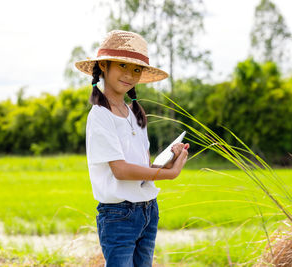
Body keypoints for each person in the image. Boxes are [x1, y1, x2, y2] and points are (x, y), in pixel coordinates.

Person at [75, 30, 190, 267]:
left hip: (148, 209)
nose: (130, 75)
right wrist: (168, 174)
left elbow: (141, 169)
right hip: (119, 216)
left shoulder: (136, 114)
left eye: (136, 69)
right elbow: (121, 171)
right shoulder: (100, 116)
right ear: (104, 66)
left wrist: (168, 161)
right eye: (123, 66)